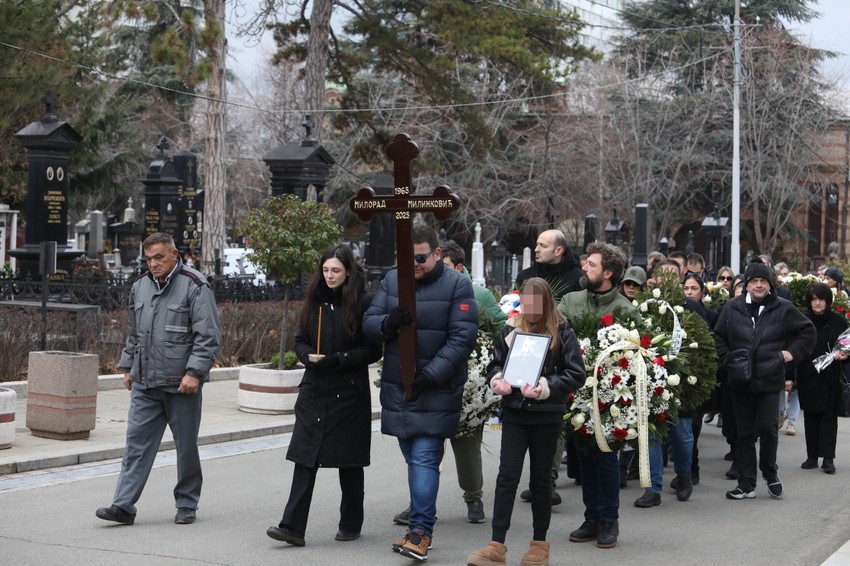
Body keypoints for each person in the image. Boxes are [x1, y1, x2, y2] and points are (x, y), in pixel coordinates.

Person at [363, 224, 478, 561]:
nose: (414, 263)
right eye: (407, 257)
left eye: (421, 257)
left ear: (438, 253)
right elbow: (369, 322)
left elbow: (462, 339)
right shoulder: (392, 280)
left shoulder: (457, 285)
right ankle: (419, 520)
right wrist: (387, 323)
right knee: (414, 459)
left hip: (435, 387)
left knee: (425, 458)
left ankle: (421, 532)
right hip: (399, 388)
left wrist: (430, 375)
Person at [96, 232, 221, 526]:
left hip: (181, 385)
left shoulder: (195, 285)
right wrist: (128, 367)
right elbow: (134, 333)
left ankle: (187, 503)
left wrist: (194, 373)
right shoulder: (139, 287)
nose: (153, 264)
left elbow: (208, 336)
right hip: (145, 383)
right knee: (136, 446)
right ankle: (123, 505)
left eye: (159, 257)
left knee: (185, 447)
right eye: (149, 258)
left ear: (174, 255)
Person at [266, 245, 382, 547]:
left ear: (348, 272)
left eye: (336, 271)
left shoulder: (362, 304)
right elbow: (300, 340)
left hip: (349, 393)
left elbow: (372, 350)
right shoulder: (314, 302)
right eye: (326, 270)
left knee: (350, 462)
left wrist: (339, 359)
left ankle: (351, 522)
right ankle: (291, 526)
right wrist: (305, 355)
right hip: (315, 390)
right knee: (305, 458)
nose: (330, 276)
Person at [467, 278, 585, 566]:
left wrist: (545, 385)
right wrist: (499, 381)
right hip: (516, 412)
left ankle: (539, 545)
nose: (530, 309)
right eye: (525, 302)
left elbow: (576, 373)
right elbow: (496, 363)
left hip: (547, 415)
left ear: (546, 304)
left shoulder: (564, 331)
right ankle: (497, 545)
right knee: (507, 476)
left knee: (541, 480)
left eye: (535, 304)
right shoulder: (510, 329)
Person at [390, 240, 505, 527]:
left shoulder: (474, 292)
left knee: (464, 447)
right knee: (422, 456)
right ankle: (419, 508)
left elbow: (496, 328)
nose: (417, 264)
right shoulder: (403, 285)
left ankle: (472, 497)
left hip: (463, 382)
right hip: (424, 384)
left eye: (422, 258)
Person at [714, 262, 815, 500]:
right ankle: (746, 483)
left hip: (770, 379)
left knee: (769, 429)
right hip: (741, 381)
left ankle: (770, 474)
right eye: (754, 281)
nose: (759, 285)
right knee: (745, 433)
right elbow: (718, 336)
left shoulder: (784, 308)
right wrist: (728, 360)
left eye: (763, 281)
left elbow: (807, 332)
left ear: (770, 285)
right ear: (747, 284)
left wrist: (790, 354)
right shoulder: (732, 307)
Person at [559, 242, 634, 549]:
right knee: (585, 458)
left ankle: (609, 520)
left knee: (605, 458)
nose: (584, 268)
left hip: (610, 395)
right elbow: (555, 326)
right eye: (585, 263)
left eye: (591, 264)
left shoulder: (624, 308)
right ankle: (591, 517)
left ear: (608, 273)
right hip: (576, 392)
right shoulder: (571, 299)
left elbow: (634, 354)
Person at [797, 283, 848, 475]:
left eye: (821, 299)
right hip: (808, 375)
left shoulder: (838, 321)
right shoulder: (803, 320)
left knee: (828, 417)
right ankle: (812, 456)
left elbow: (845, 344)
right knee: (810, 417)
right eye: (814, 300)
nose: (817, 303)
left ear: (828, 301)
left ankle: (828, 458)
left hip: (830, 376)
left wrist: (845, 355)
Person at [515, 229, 582, 301]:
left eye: (543, 246)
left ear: (558, 251)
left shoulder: (578, 278)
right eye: (537, 244)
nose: (536, 249)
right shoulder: (524, 276)